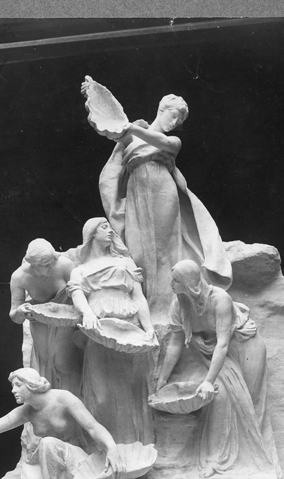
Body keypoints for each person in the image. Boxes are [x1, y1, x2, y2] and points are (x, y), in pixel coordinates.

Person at [84, 86, 232, 324]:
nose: (174, 122)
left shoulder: (172, 141)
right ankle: (145, 307)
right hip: (135, 191)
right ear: (161, 110)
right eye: (173, 115)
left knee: (165, 248)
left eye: (179, 120)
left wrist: (133, 128)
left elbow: (162, 142)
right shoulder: (131, 136)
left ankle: (170, 309)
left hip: (162, 187)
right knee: (137, 250)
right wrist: (93, 94)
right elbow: (110, 126)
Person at [155, 260, 281, 479]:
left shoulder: (220, 299)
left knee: (249, 403)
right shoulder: (179, 304)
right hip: (213, 354)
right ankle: (216, 458)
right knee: (220, 396)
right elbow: (175, 344)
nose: (171, 284)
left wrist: (208, 381)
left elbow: (223, 343)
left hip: (244, 347)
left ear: (189, 283)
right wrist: (162, 380)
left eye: (175, 280)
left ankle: (249, 461)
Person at [68, 217, 155, 445]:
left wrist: (148, 328)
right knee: (102, 396)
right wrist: (87, 313)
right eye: (104, 227)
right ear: (91, 234)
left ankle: (134, 446)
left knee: (131, 389)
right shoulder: (80, 270)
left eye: (110, 227)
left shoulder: (125, 262)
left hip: (129, 328)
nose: (110, 231)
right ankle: (104, 446)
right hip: (99, 328)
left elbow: (139, 297)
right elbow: (77, 294)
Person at [10, 238, 82, 395]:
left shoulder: (64, 265)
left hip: (66, 318)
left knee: (63, 363)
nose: (51, 267)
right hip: (40, 323)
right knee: (46, 364)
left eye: (52, 262)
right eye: (45, 265)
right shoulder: (19, 277)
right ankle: (52, 402)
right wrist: (20, 311)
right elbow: (15, 316)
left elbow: (82, 294)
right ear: (33, 265)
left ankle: (74, 399)